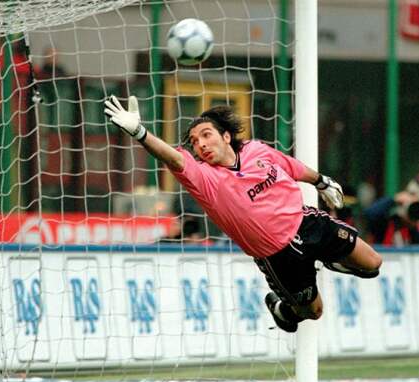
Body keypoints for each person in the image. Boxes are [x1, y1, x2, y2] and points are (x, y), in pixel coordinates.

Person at [103, 96, 382, 333]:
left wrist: (321, 181)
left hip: (307, 223)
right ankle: (282, 309)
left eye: (206, 135)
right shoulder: (204, 178)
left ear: (226, 136)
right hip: (279, 256)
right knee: (314, 312)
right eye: (195, 141)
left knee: (372, 264)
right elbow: (174, 158)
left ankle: (327, 259)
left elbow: (290, 166)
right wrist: (139, 132)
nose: (200, 144)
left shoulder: (254, 149)